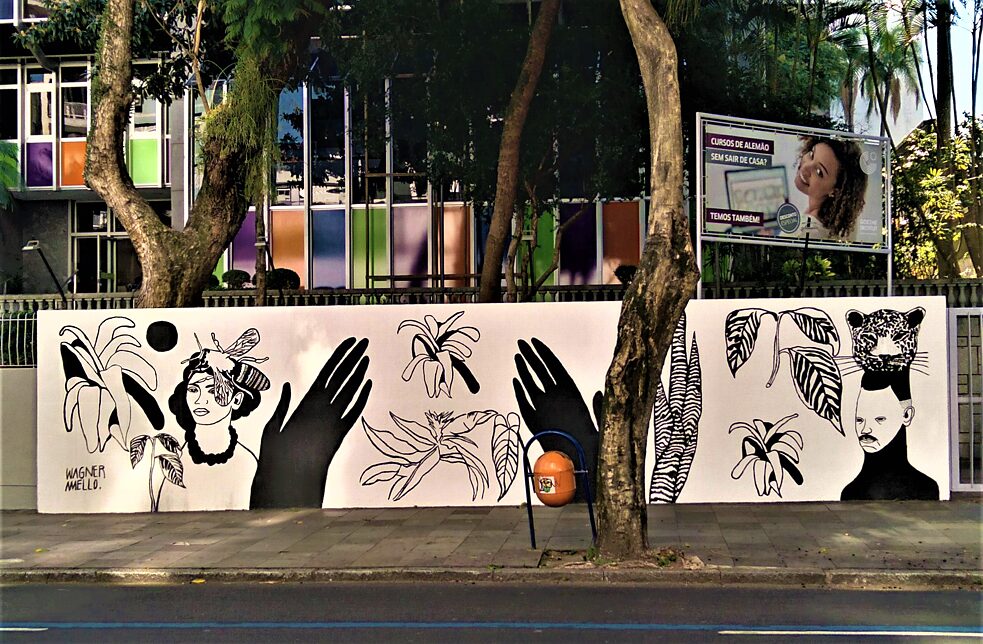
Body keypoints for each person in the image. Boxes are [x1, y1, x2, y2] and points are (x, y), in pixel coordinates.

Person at [840, 372, 939, 500]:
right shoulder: (850, 492)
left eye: (879, 419)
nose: (865, 429)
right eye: (859, 420)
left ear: (907, 415)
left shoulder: (926, 488)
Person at [793, 136, 868, 239]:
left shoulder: (807, 231)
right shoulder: (836, 225)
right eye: (811, 155)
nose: (805, 167)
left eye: (819, 172)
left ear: (835, 191)